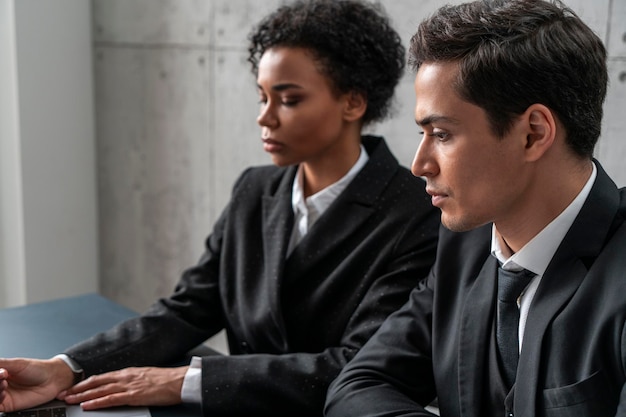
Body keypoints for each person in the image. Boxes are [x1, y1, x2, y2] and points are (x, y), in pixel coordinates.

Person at [0, 1, 440, 416]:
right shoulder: (255, 188)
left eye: (288, 100)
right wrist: (67, 366)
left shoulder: (415, 214)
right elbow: (188, 309)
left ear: (353, 102)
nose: (265, 118)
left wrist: (186, 381)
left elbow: (359, 365)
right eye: (262, 97)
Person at [324, 0, 626, 416]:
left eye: (442, 134)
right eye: (422, 133)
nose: (419, 164)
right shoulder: (463, 247)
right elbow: (357, 386)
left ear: (533, 133)